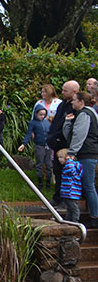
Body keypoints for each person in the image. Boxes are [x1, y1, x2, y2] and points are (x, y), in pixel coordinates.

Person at [63, 91, 98, 227]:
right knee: (87, 186)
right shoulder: (87, 113)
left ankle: (95, 217)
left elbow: (79, 134)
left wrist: (72, 152)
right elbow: (70, 134)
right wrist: (67, 123)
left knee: (88, 186)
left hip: (87, 153)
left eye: (74, 100)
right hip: (87, 153)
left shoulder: (84, 114)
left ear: (81, 102)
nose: (72, 102)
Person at [47, 81, 79, 204]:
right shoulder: (62, 104)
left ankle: (66, 200)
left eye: (65, 90)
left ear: (74, 92)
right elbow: (56, 121)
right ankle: (58, 197)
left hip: (65, 143)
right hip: (56, 141)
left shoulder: (73, 107)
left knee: (65, 171)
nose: (62, 92)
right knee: (57, 170)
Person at [18, 108, 52, 189]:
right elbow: (29, 134)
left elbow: (50, 132)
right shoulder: (33, 123)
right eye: (40, 114)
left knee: (49, 164)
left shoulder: (46, 122)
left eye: (44, 115)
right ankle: (40, 182)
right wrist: (24, 144)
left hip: (48, 146)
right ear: (36, 114)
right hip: (39, 145)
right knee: (39, 163)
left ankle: (48, 183)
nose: (42, 116)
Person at [57, 148, 83, 223]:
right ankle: (68, 221)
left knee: (74, 208)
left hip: (71, 192)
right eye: (58, 157)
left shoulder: (70, 166)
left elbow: (70, 166)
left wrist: (69, 160)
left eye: (61, 157)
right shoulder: (68, 167)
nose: (59, 159)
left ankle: (75, 221)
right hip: (68, 192)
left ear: (67, 157)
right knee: (69, 208)